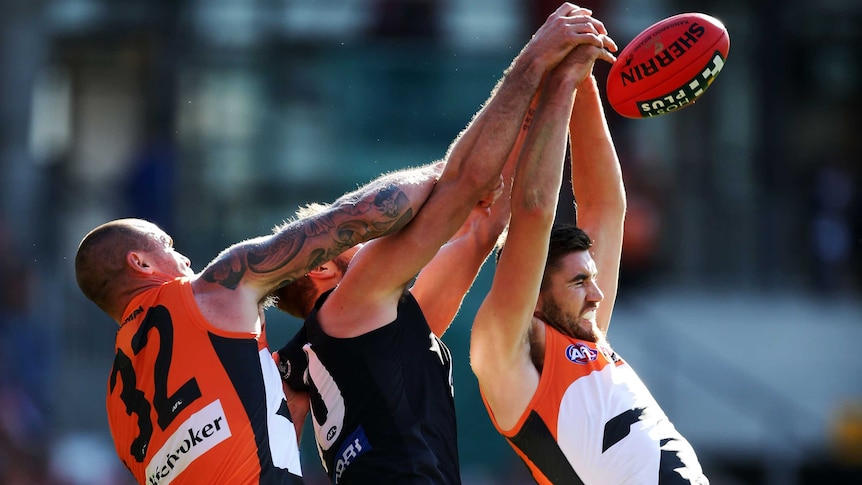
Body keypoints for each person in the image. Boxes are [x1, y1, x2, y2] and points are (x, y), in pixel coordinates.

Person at [271, 5, 617, 484]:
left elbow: (487, 224)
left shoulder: (349, 341)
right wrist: (536, 59)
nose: (365, 233)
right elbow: (467, 179)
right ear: (321, 270)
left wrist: (550, 94)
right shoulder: (353, 301)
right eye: (344, 238)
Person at [74, 162, 448, 484]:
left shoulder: (115, 406)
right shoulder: (207, 292)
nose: (185, 258)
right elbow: (357, 216)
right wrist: (446, 176)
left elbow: (269, 430)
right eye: (167, 246)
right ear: (141, 263)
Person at [468, 22, 710, 485]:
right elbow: (536, 210)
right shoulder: (503, 355)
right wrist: (556, 85)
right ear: (534, 296)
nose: (598, 293)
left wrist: (582, 82)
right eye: (579, 281)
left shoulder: (587, 339)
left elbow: (604, 207)